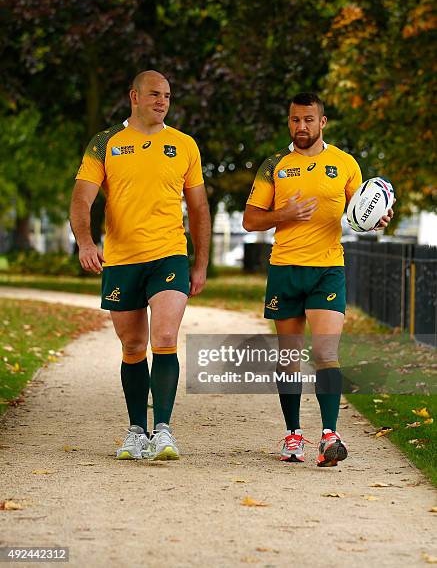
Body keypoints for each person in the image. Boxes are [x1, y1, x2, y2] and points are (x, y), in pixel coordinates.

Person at [243, 92, 393, 467]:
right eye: (295, 120)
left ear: (322, 122)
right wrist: (285, 213)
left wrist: (377, 221)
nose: (301, 127)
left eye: (309, 120)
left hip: (328, 269)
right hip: (285, 269)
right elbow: (250, 220)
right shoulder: (274, 165)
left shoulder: (344, 164)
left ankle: (330, 436)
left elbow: (361, 211)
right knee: (290, 357)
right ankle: (293, 435)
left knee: (325, 353)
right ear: (289, 121)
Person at [70, 70, 211, 461]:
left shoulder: (183, 145)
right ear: (134, 96)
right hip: (122, 260)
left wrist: (200, 263)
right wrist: (85, 242)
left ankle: (163, 430)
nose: (161, 101)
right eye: (153, 94)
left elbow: (198, 208)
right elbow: (82, 199)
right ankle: (136, 431)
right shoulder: (105, 143)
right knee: (133, 345)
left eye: (166, 95)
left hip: (168, 254)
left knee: (164, 337)